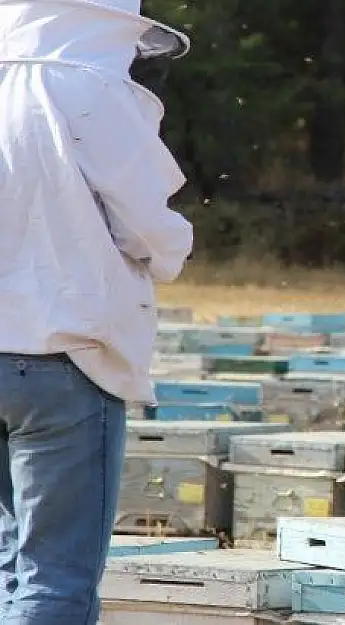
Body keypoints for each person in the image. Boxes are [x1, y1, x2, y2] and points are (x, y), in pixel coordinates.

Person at [0, 1, 192, 622]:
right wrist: (168, 251)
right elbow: (148, 225)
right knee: (55, 581)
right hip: (60, 354)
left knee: (8, 566)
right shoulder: (88, 89)